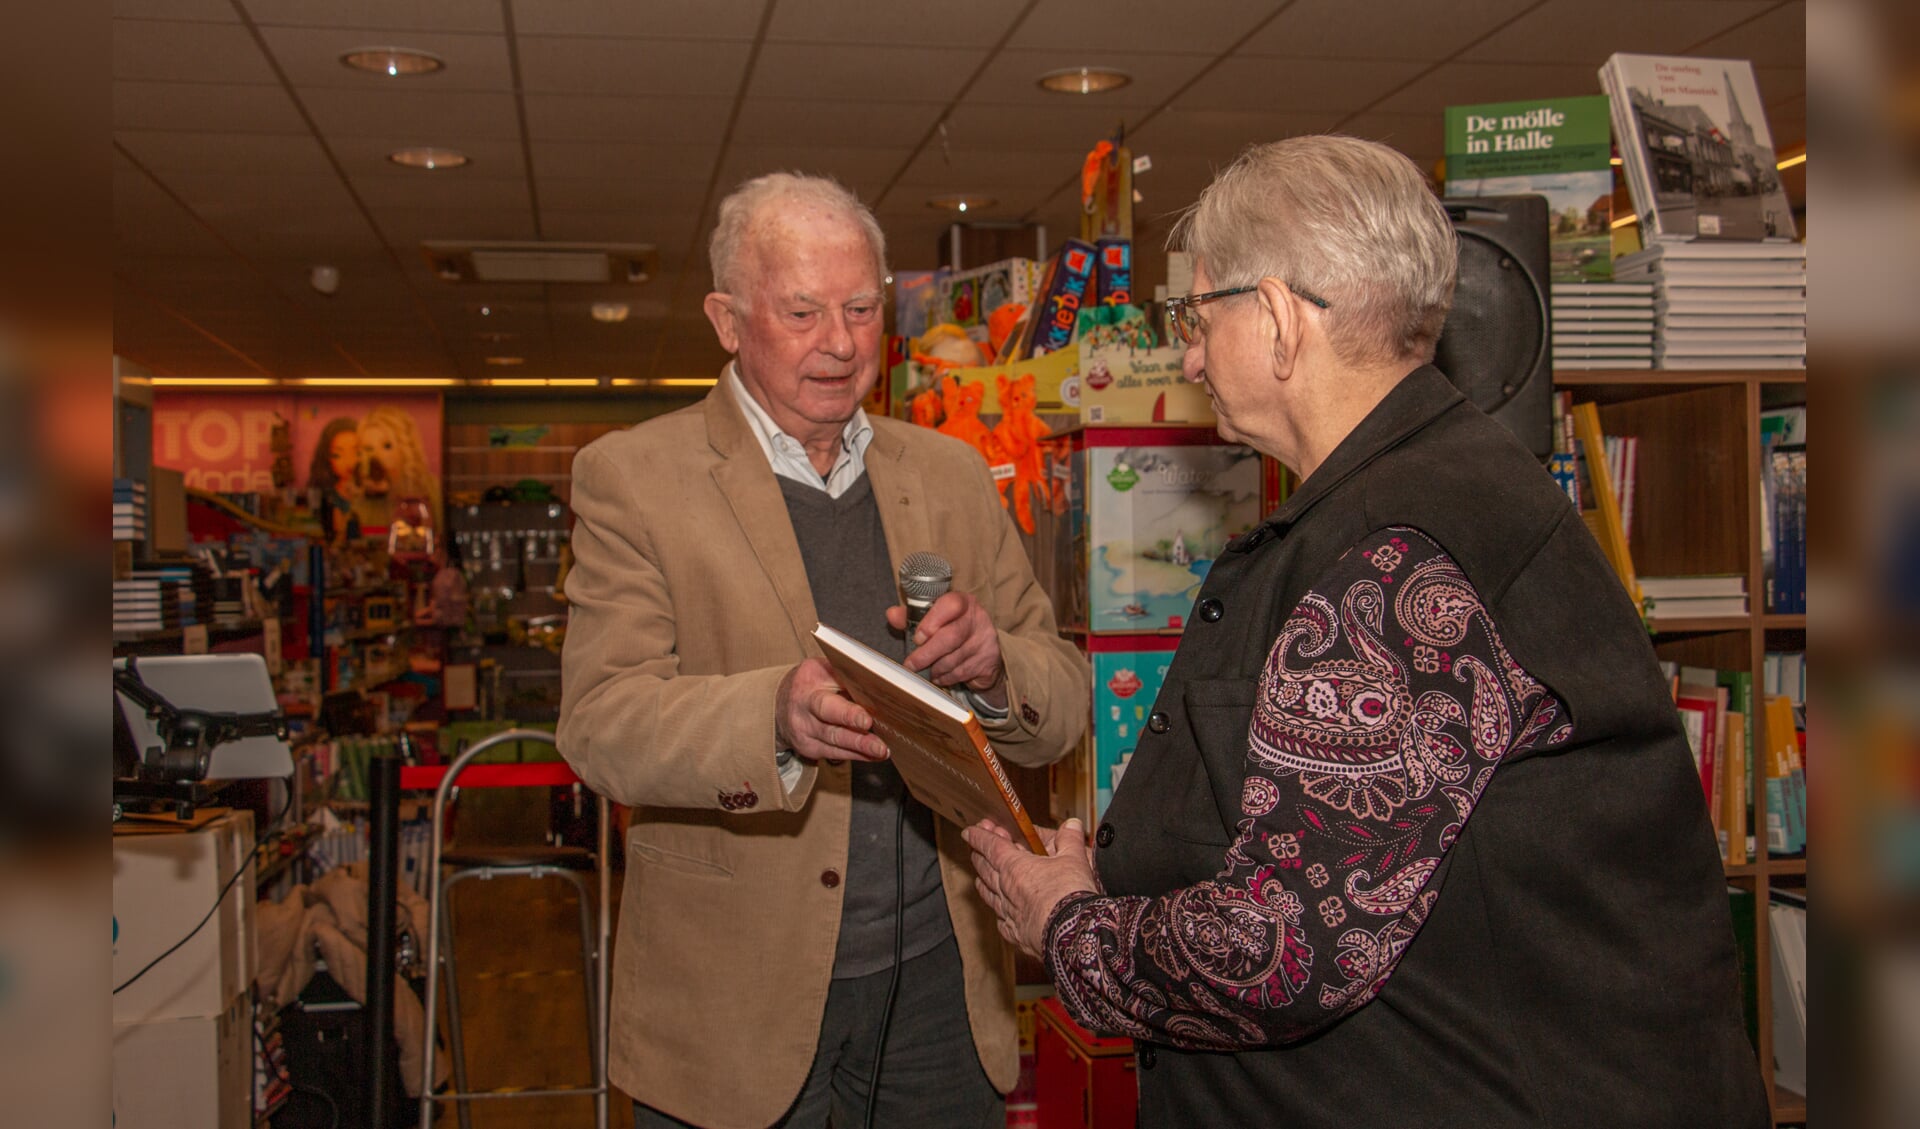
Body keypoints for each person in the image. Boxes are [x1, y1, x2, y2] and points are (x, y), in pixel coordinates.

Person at [965, 136, 1770, 1127]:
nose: (1187, 354)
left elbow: (1285, 946)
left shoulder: (1397, 564)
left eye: (1195, 314)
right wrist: (1118, 880)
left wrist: (1070, 923)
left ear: (1273, 317)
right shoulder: (1444, 494)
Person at [557, 172, 1090, 1129]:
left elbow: (1064, 697)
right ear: (726, 319)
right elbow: (601, 725)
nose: (840, 344)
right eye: (801, 311)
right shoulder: (632, 480)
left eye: (858, 308)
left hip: (938, 989)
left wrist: (997, 666)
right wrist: (774, 716)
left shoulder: (951, 474)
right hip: (733, 1003)